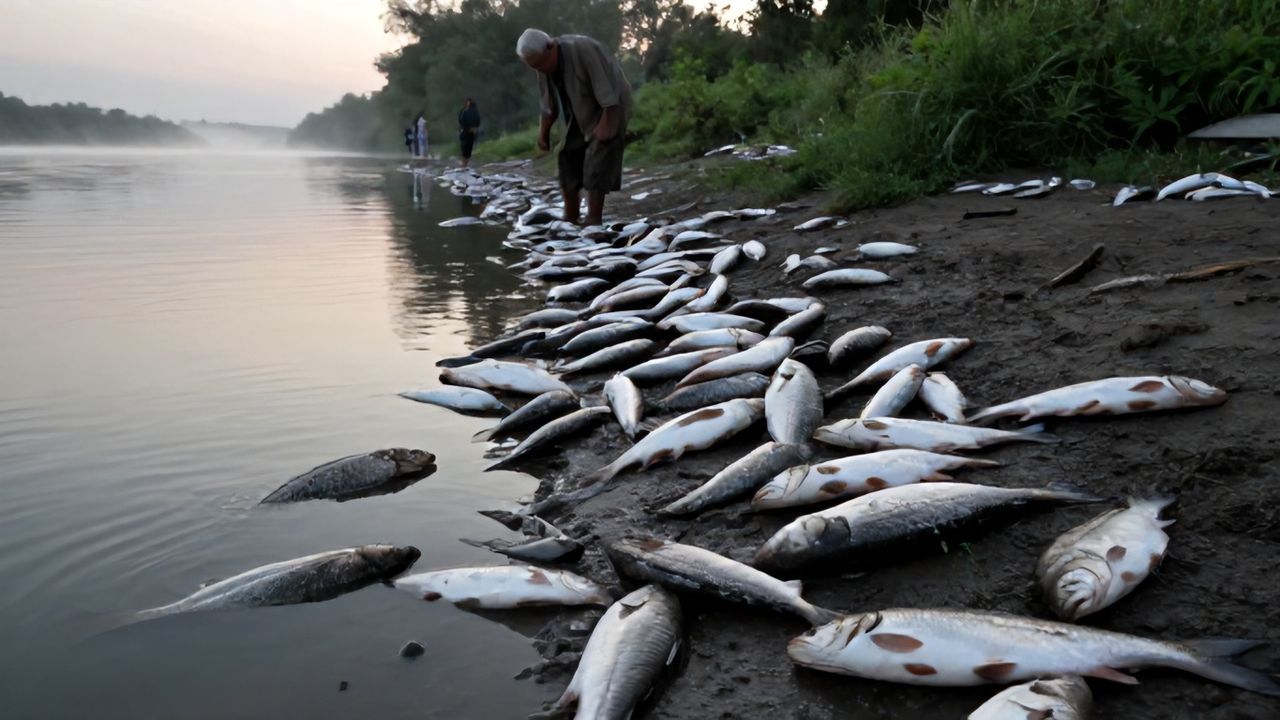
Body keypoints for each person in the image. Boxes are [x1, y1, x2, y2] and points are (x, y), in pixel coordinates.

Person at [516, 28, 632, 227]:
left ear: (551, 47)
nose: (540, 69)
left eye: (541, 64)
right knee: (567, 156)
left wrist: (607, 124)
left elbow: (609, 93)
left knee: (599, 155)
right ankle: (571, 217)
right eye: (534, 67)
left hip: (609, 107)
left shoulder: (583, 50)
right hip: (579, 111)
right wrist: (543, 134)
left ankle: (593, 219)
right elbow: (548, 106)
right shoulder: (542, 67)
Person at [458, 98, 481, 168]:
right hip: (467, 131)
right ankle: (464, 164)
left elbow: (477, 121)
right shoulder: (464, 111)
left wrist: (474, 128)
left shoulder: (472, 111)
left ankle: (464, 165)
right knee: (465, 148)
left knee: (467, 148)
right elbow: (461, 120)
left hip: (469, 132)